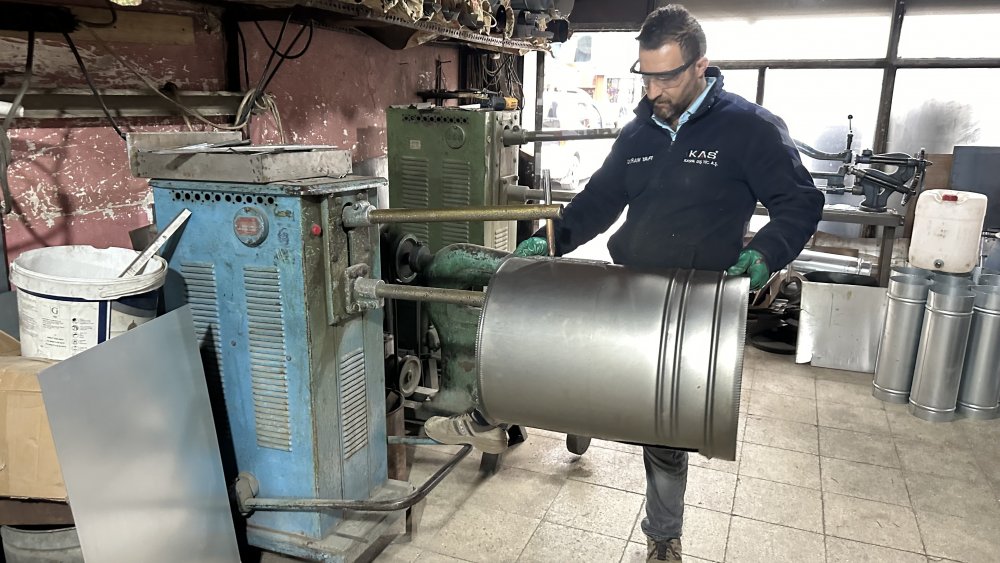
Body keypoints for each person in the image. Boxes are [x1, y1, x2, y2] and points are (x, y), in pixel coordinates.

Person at [425, 5, 824, 561]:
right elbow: (599, 201)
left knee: (663, 432)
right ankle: (497, 416)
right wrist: (550, 239)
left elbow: (801, 202)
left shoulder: (749, 129)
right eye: (646, 76)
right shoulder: (640, 131)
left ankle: (662, 537)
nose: (654, 90)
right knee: (553, 348)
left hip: (691, 304)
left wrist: (764, 254)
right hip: (629, 285)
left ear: (701, 66)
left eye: (667, 77)